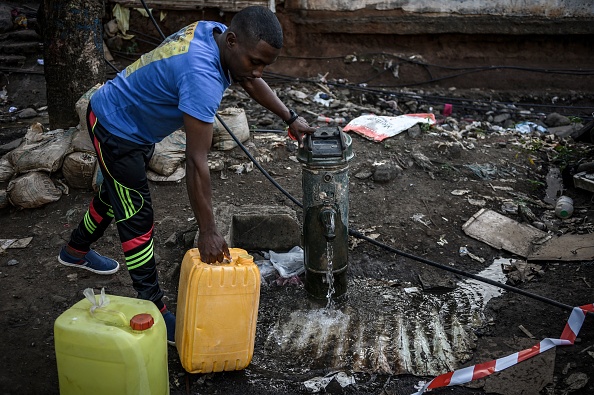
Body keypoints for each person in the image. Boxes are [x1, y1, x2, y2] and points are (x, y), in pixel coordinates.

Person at [57, 6, 315, 345]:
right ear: (233, 41)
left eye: (265, 64)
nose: (259, 70)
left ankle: (75, 250)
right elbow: (196, 162)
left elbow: (250, 79)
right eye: (256, 61)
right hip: (114, 126)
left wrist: (289, 117)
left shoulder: (215, 32)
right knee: (137, 213)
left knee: (115, 194)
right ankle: (153, 305)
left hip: (133, 123)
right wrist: (208, 230)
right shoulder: (202, 77)